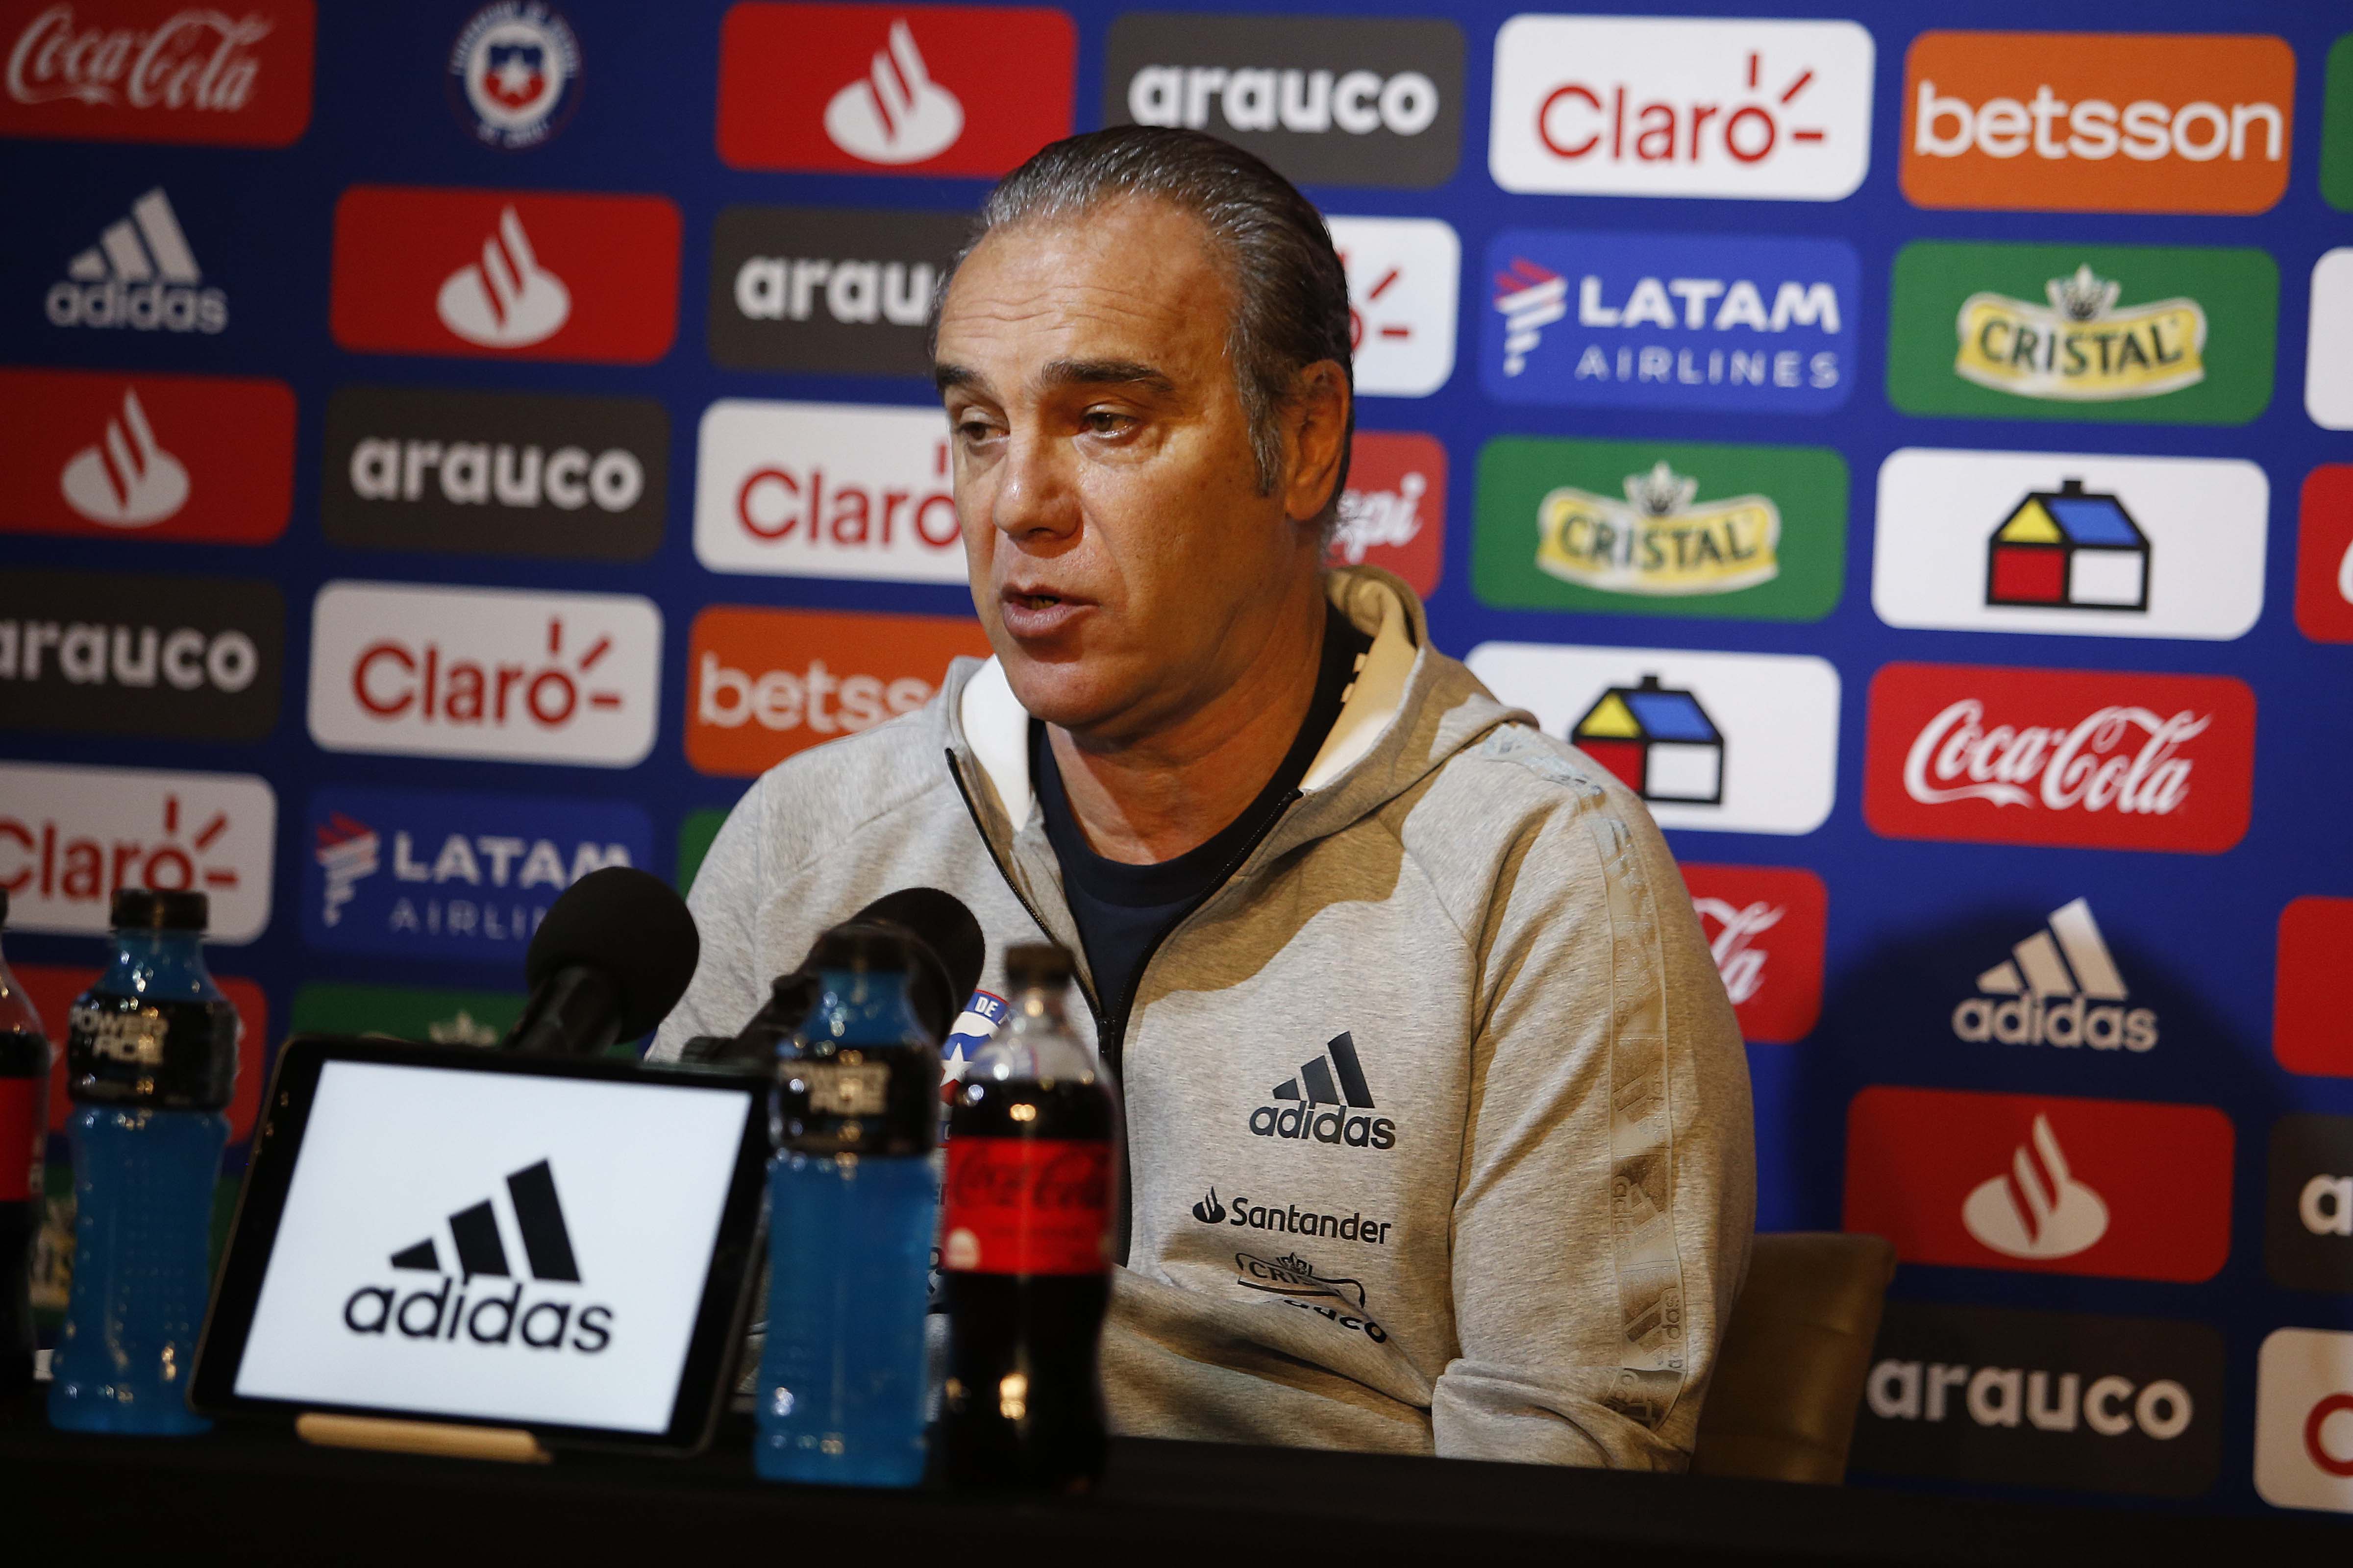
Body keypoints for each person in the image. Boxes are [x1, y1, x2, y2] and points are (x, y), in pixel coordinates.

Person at [654, 125, 1755, 1468]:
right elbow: (656, 1332)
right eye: (977, 429)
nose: (1019, 505)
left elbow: (1561, 1470)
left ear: (1303, 442)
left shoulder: (1538, 869)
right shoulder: (815, 838)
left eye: (1103, 421)